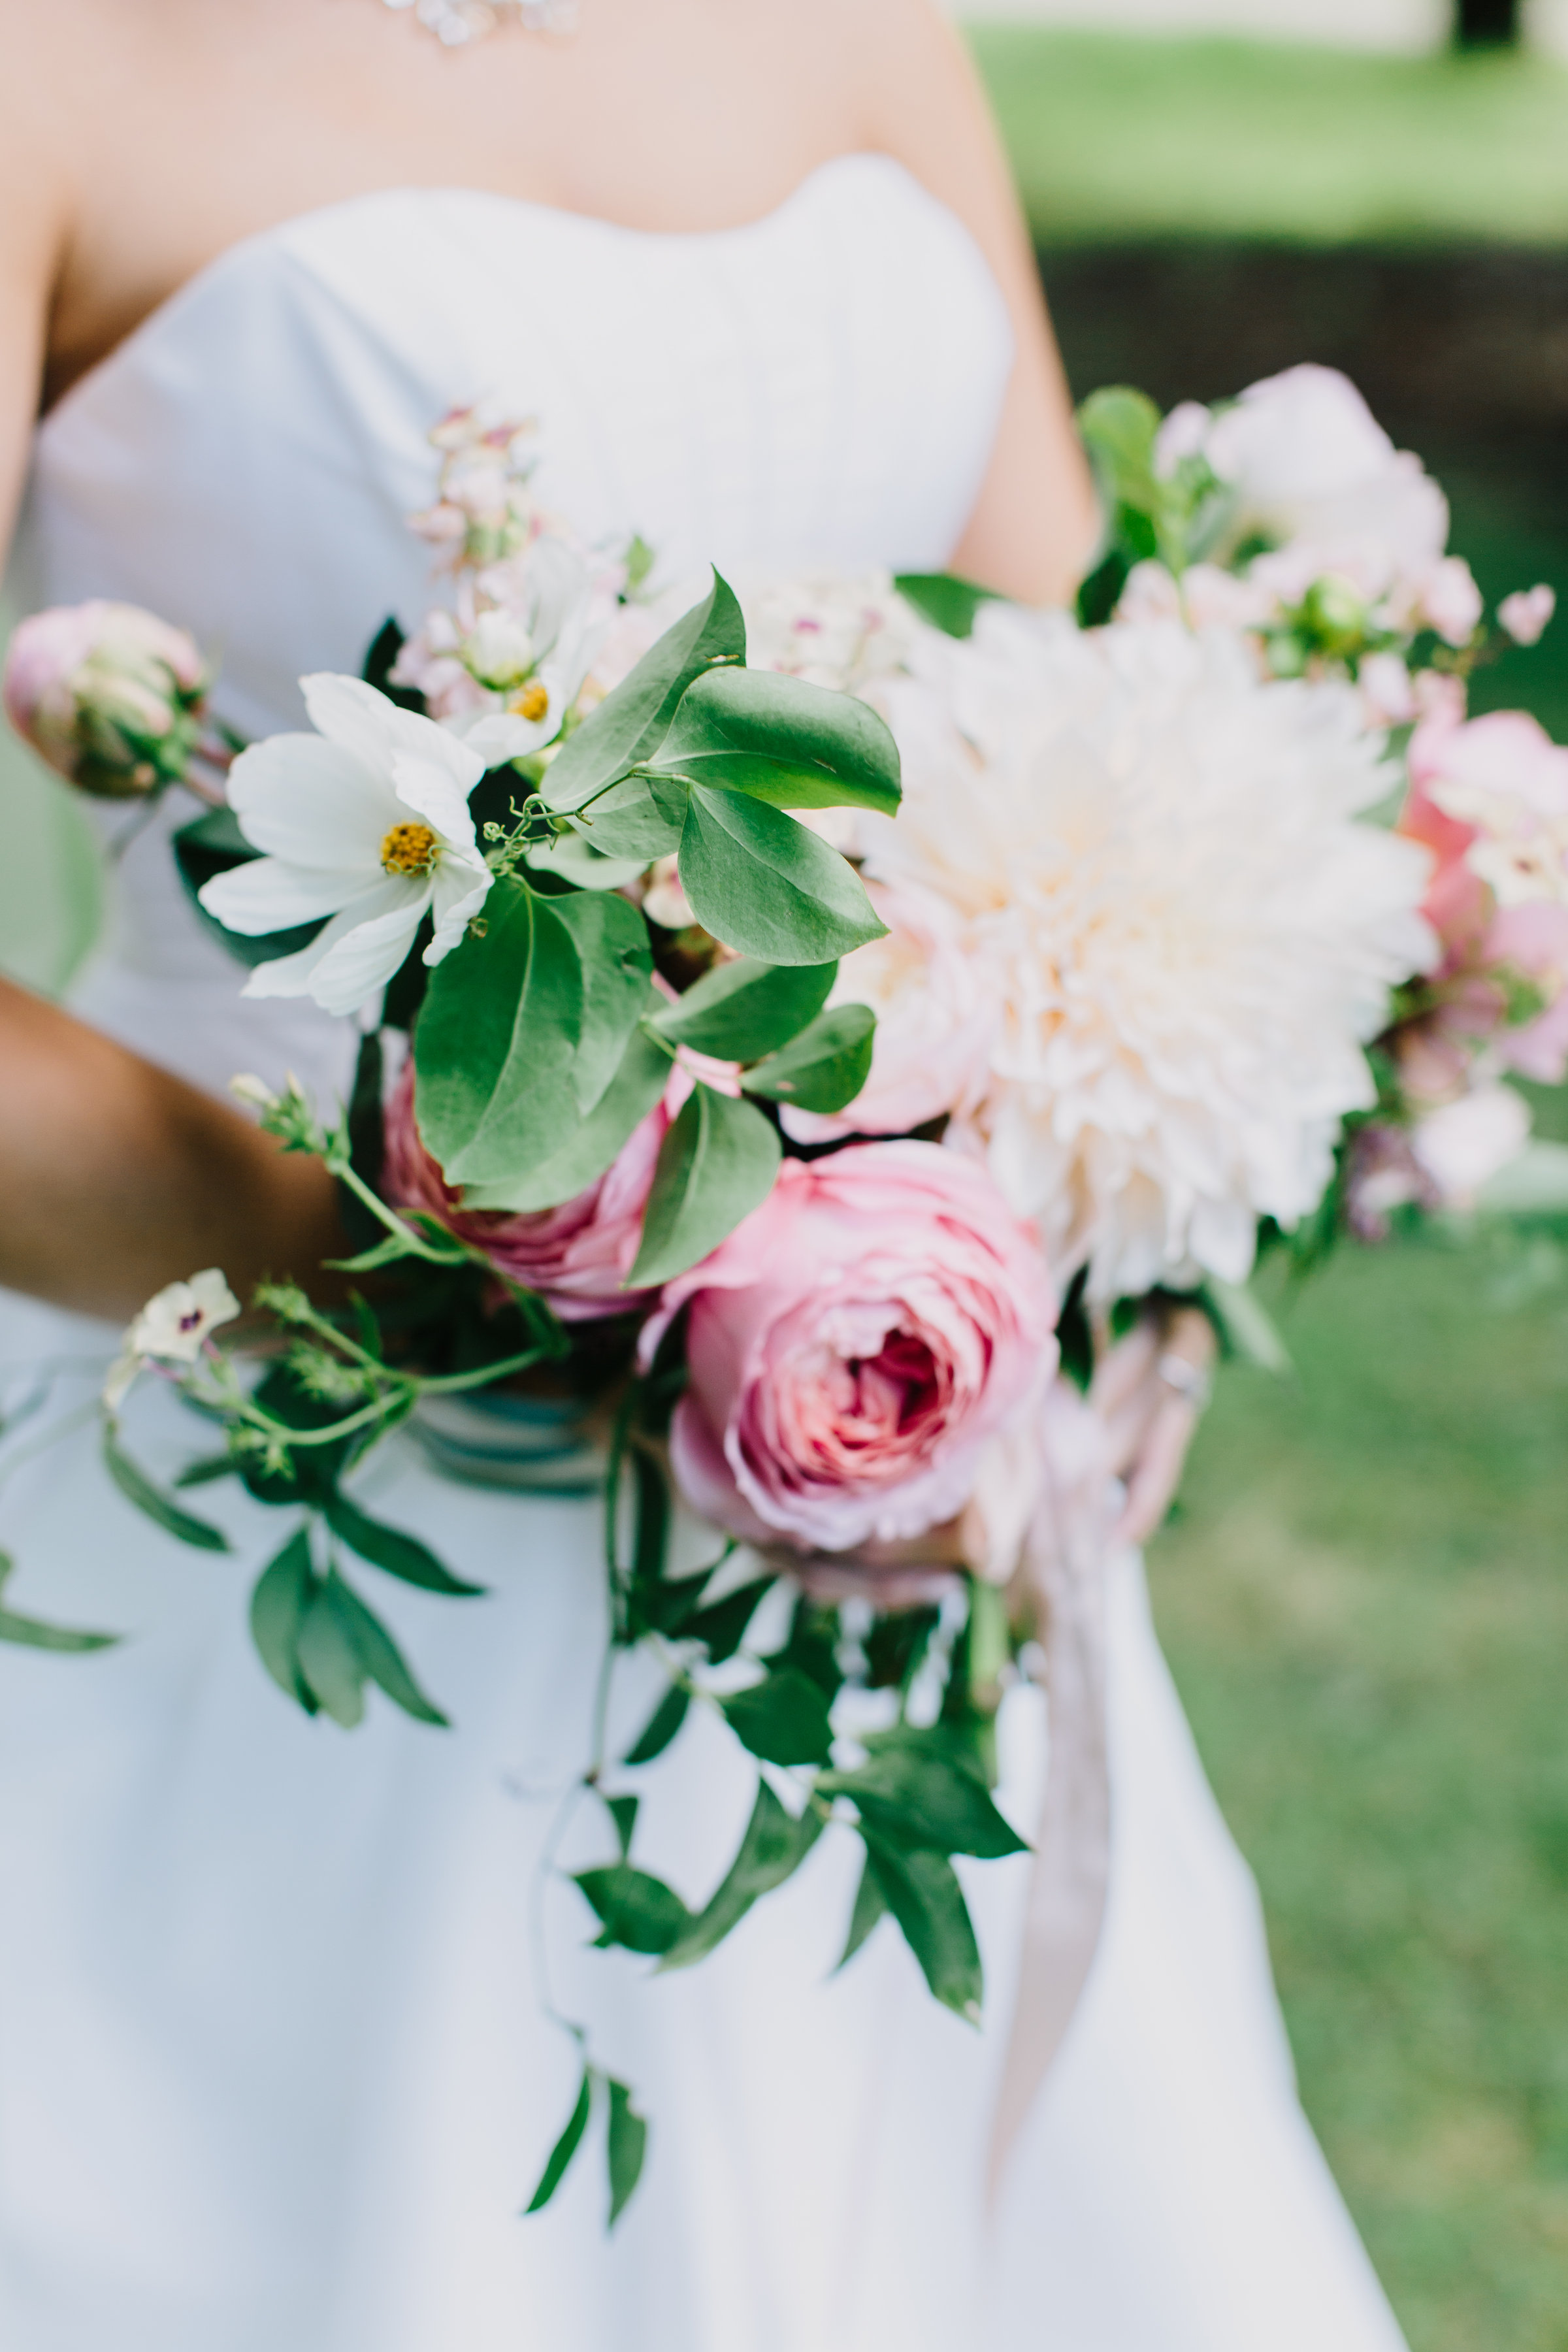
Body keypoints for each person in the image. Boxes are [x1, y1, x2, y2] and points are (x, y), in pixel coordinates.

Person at [0, 4, 1409, 2346]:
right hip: (278, 1445)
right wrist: (517, 1275)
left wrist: (1050, 1191)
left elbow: (1082, 682)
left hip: (876, 1466)